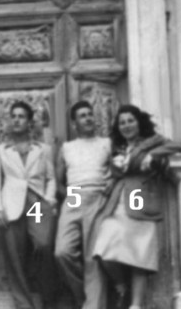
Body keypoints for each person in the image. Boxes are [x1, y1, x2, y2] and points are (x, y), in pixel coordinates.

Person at [92, 105, 181, 309]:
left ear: (139, 122)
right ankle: (121, 285)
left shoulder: (152, 142)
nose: (126, 126)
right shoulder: (117, 147)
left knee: (139, 255)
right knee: (103, 250)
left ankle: (135, 305)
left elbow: (178, 145)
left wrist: (152, 156)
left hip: (142, 198)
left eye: (130, 121)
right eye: (122, 122)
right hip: (117, 201)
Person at [0, 101, 57, 309]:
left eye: (21, 116)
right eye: (14, 116)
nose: (17, 120)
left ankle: (48, 297)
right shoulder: (1, 150)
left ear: (29, 122)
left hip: (36, 203)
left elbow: (51, 177)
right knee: (14, 255)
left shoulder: (43, 149)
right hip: (11, 206)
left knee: (43, 245)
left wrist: (49, 198)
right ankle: (24, 303)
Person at [54, 100, 113, 309]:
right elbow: (58, 181)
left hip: (98, 195)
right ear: (74, 124)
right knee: (62, 252)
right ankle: (84, 299)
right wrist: (71, 195)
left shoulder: (106, 143)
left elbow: (117, 173)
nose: (88, 118)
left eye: (90, 114)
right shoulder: (67, 148)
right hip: (74, 195)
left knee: (92, 258)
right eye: (82, 116)